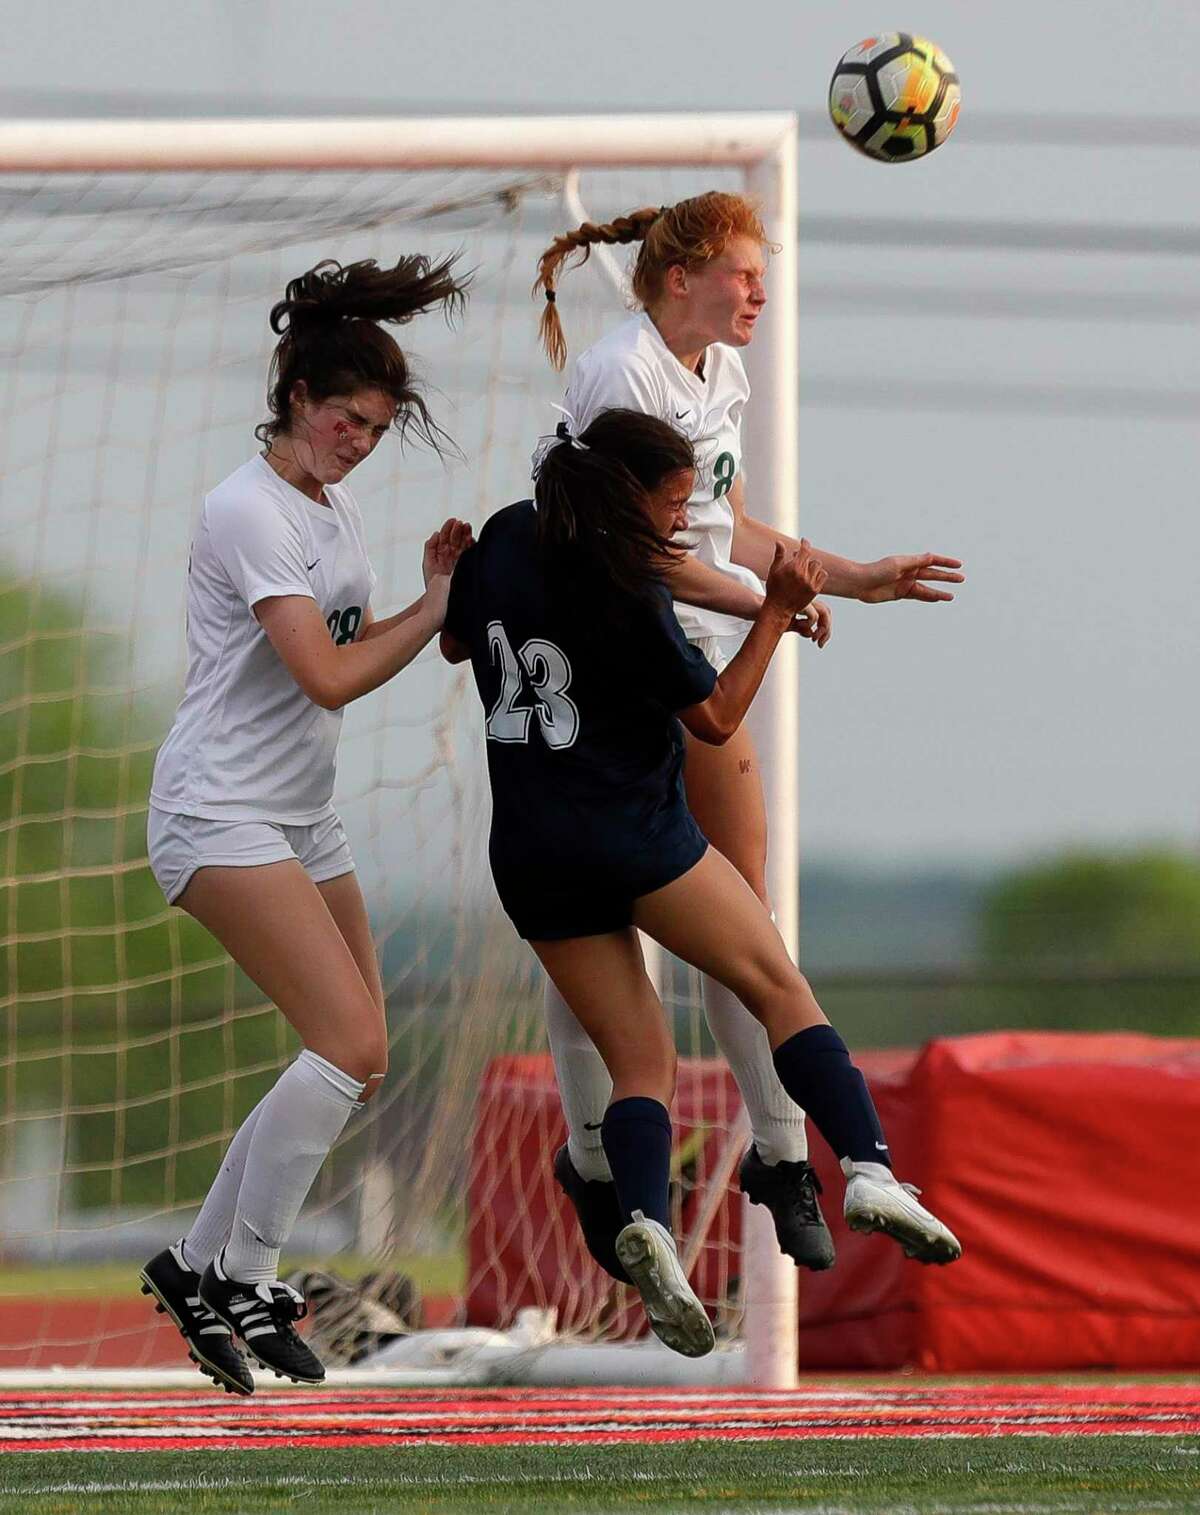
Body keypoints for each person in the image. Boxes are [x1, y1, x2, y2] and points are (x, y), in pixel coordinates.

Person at [440, 408, 960, 1357]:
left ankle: (649, 1224)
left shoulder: (510, 536)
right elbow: (715, 718)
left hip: (529, 852)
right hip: (633, 833)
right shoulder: (627, 585)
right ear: (627, 498)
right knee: (774, 982)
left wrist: (447, 579)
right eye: (675, 502)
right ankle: (870, 1167)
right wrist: (773, 608)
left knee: (643, 1063)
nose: (684, 522)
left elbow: (456, 642)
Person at [531, 192, 964, 1276]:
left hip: (705, 657)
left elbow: (714, 523)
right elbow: (619, 542)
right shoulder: (617, 372)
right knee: (592, 929)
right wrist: (752, 601)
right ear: (680, 277)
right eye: (741, 271)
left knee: (743, 912)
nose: (761, 291)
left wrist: (848, 576)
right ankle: (593, 1160)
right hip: (615, 671)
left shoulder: (723, 370)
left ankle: (780, 1158)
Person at [139, 254, 473, 1396]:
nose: (359, 441)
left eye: (377, 428)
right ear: (294, 398)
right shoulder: (246, 508)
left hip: (299, 816)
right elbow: (327, 676)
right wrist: (430, 614)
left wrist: (424, 599)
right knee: (355, 1042)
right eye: (346, 419)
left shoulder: (330, 509)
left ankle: (197, 1267)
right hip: (218, 811)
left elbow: (343, 636)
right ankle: (246, 1271)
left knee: (358, 1057)